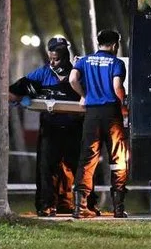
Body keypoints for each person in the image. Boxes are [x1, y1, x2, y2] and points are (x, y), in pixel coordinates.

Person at [9, 36, 98, 217]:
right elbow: (12, 92)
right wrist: (25, 98)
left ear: (65, 56)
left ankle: (83, 204)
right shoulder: (42, 73)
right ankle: (46, 205)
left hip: (75, 128)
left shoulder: (78, 74)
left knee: (81, 168)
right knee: (46, 167)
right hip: (51, 128)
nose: (52, 62)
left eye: (56, 59)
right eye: (50, 58)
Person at [70, 29, 129, 218]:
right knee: (118, 158)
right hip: (111, 114)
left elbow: (72, 79)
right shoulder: (117, 63)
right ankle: (118, 208)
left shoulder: (84, 61)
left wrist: (84, 95)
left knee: (87, 158)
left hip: (92, 115)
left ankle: (80, 207)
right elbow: (117, 86)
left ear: (99, 43)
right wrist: (123, 104)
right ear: (115, 45)